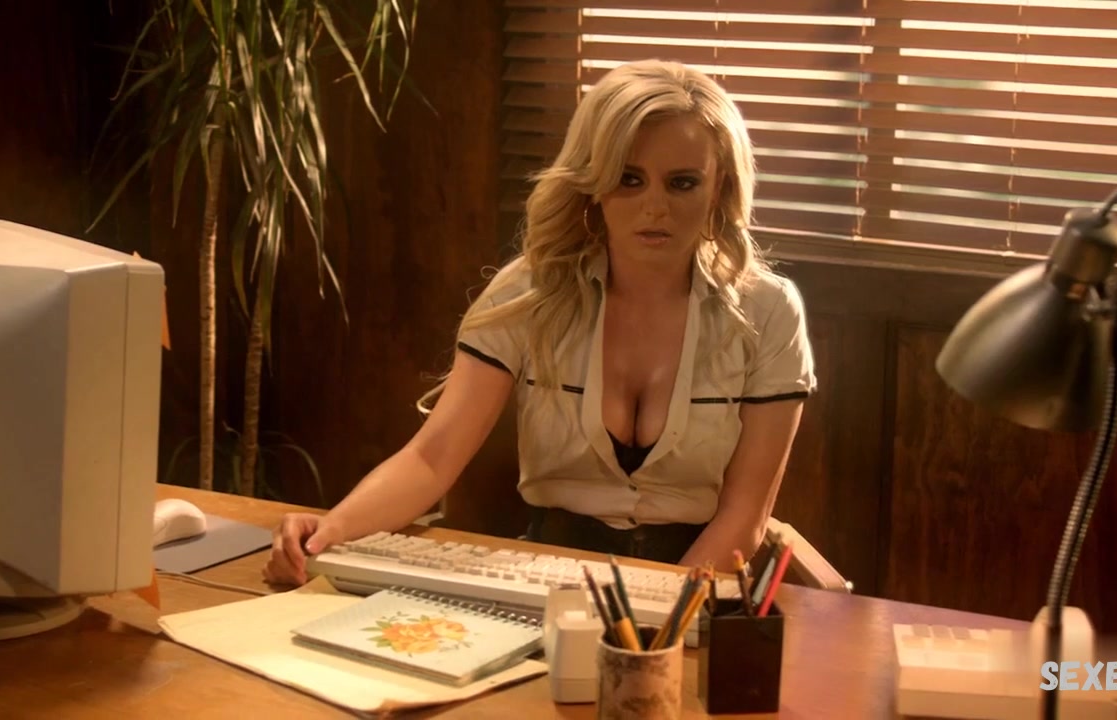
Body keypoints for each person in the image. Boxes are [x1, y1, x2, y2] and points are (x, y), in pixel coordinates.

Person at [264, 59, 817, 586]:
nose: (655, 207)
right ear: (592, 183)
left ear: (720, 186)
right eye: (629, 179)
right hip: (548, 574)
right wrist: (327, 532)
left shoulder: (768, 311)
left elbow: (745, 516)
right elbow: (432, 458)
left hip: (695, 581)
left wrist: (668, 615)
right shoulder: (531, 290)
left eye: (682, 183)